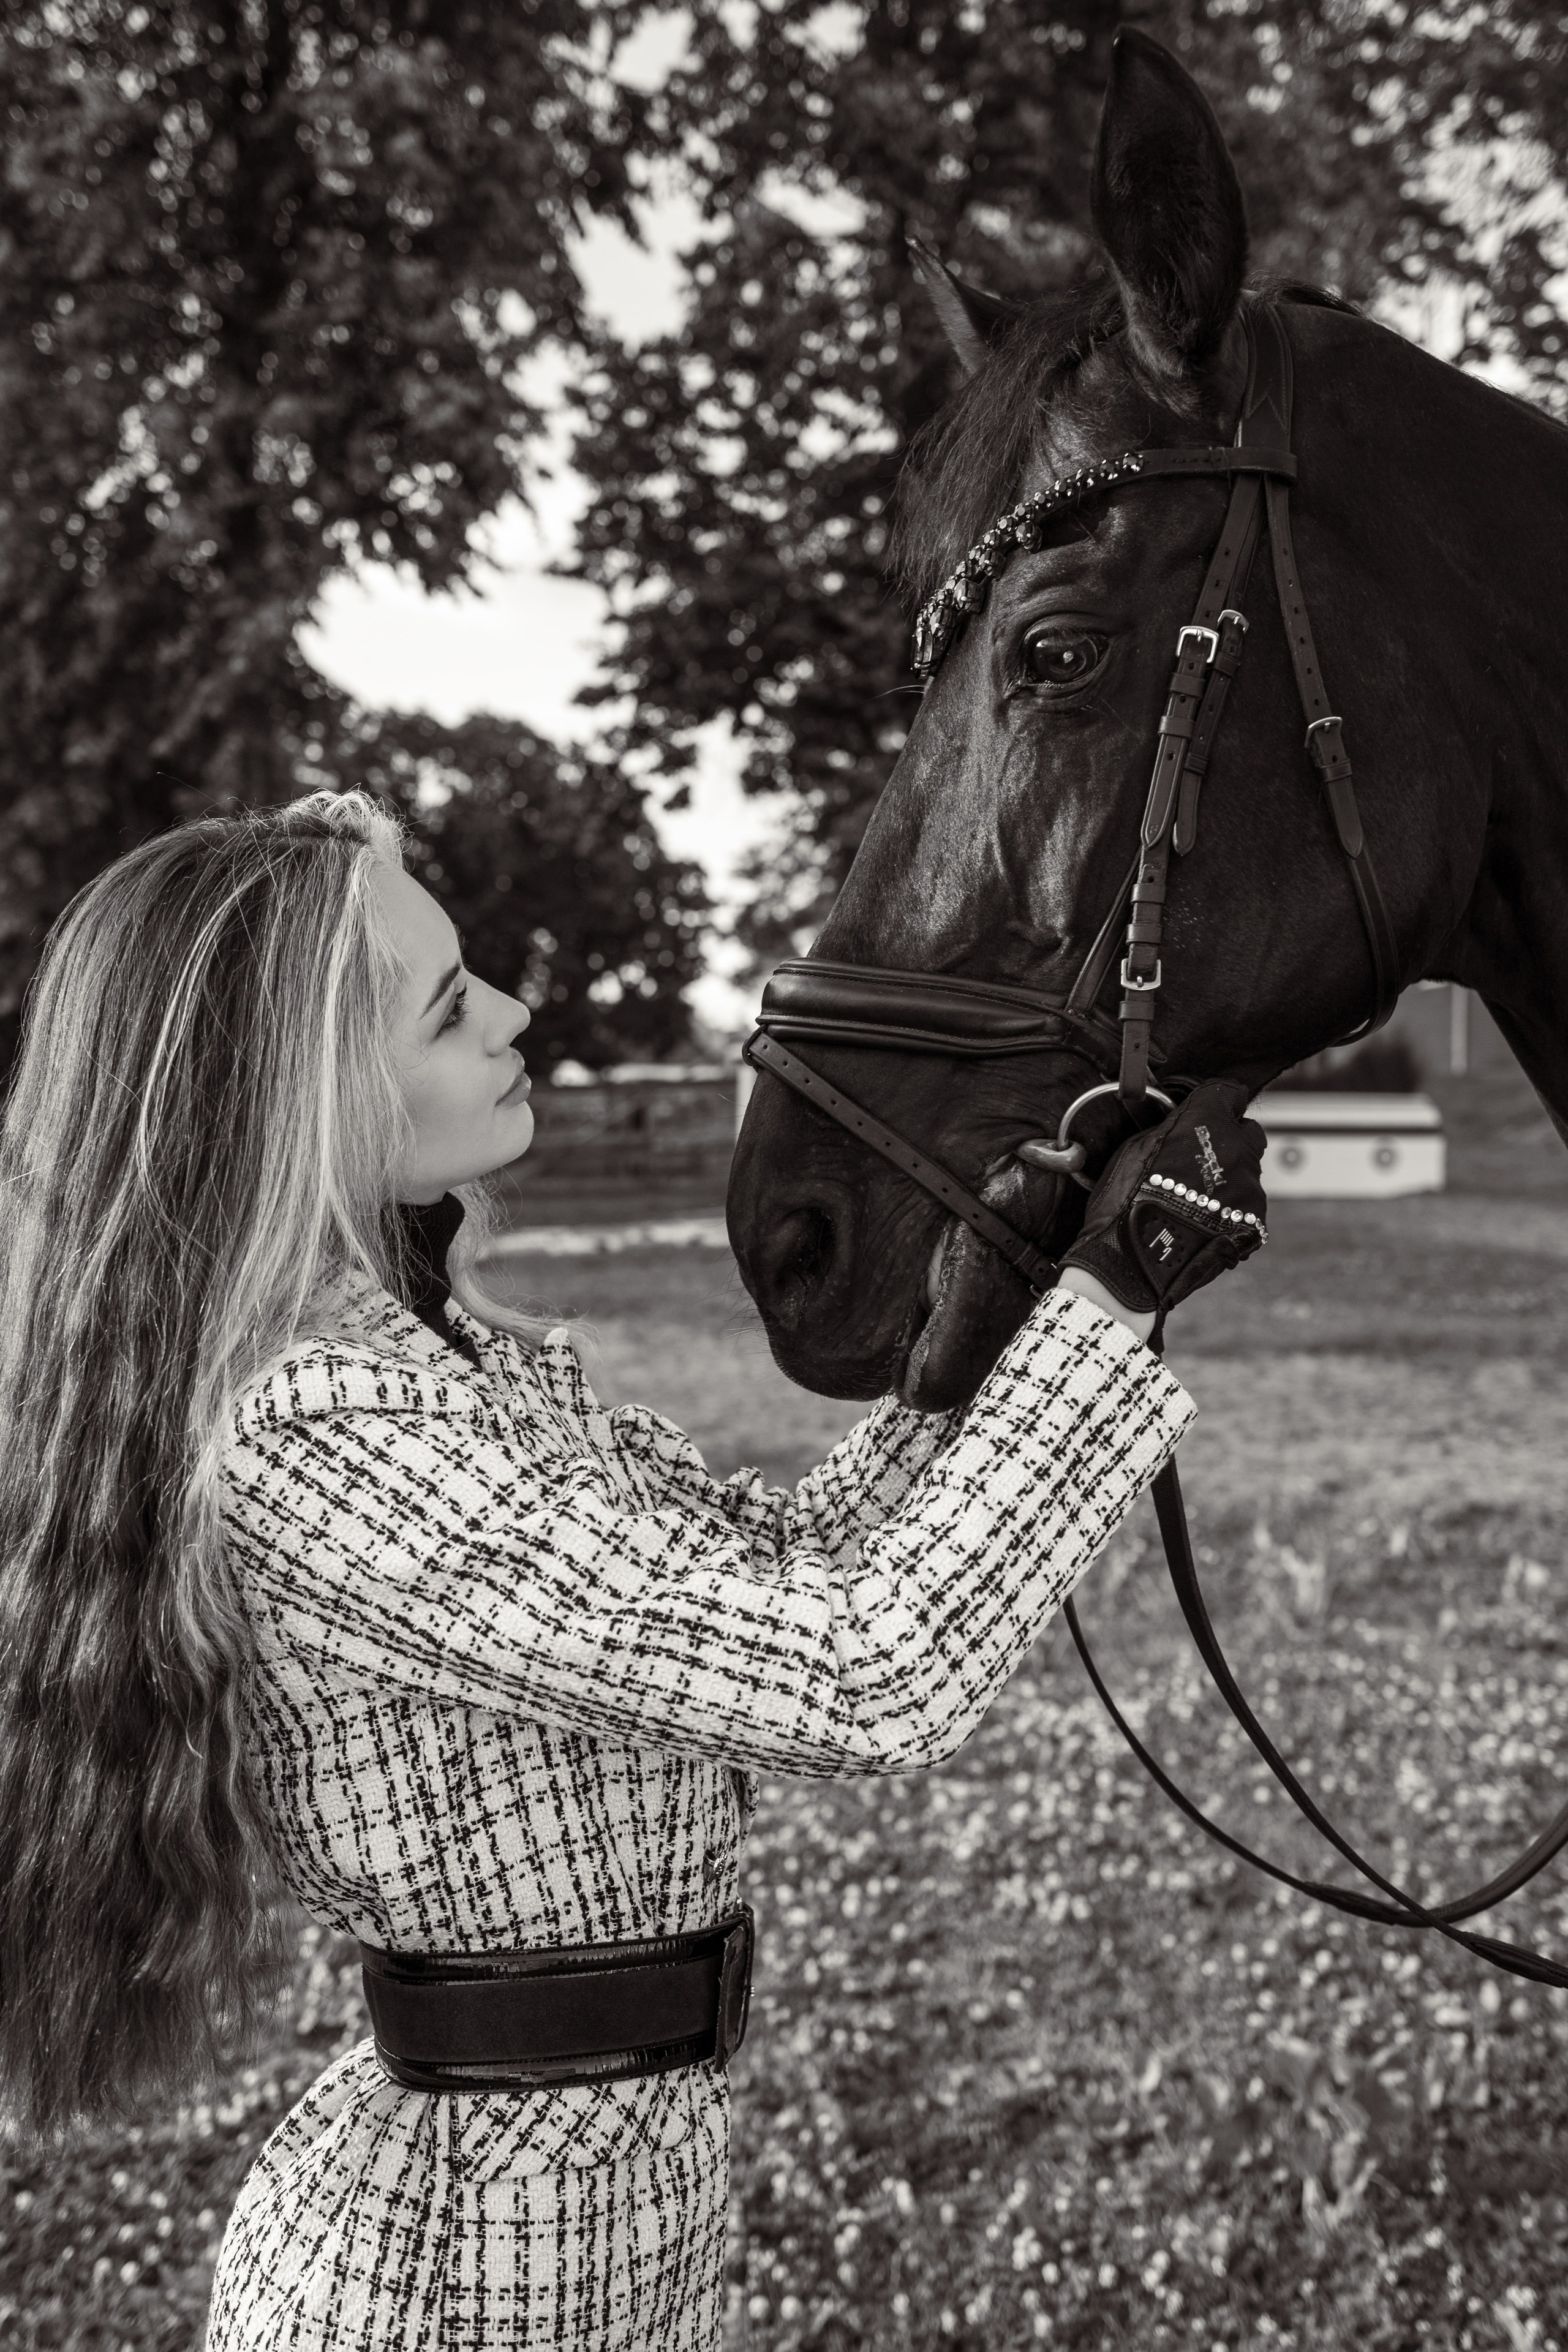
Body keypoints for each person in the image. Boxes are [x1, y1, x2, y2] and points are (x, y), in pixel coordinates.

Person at [0, 790, 1266, 2350]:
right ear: (307, 1093)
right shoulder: (327, 1425)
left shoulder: (448, 1369)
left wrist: (964, 1364)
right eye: (453, 1006)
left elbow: (788, 1584)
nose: (520, 1013)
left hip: (584, 2196)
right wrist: (1113, 1301)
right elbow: (861, 1679)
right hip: (461, 2272)